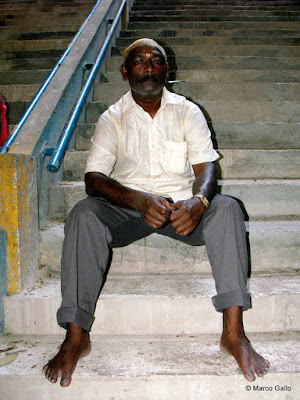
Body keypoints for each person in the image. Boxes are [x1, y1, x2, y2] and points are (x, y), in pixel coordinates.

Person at [43, 38, 270, 387]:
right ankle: (76, 336)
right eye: (139, 61)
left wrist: (200, 202)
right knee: (83, 214)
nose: (149, 68)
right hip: (129, 210)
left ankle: (233, 334)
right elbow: (93, 180)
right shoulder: (112, 118)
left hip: (182, 210)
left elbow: (206, 168)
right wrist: (138, 201)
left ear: (167, 70)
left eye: (156, 61)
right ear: (124, 72)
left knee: (228, 209)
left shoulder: (187, 111)